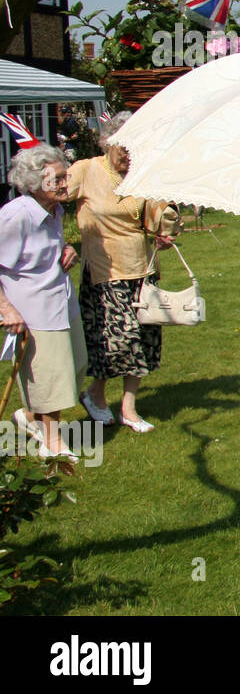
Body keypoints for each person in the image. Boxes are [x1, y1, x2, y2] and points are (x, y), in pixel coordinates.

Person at [68, 114, 180, 432]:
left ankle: (129, 409)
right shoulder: (86, 170)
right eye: (126, 147)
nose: (130, 155)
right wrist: (57, 245)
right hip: (105, 270)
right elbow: (51, 197)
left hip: (142, 269)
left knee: (143, 341)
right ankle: (96, 394)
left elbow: (159, 216)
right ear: (111, 141)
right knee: (114, 341)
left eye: (137, 147)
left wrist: (165, 231)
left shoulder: (141, 175)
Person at [0, 145, 83, 459]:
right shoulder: (16, 215)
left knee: (75, 368)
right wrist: (6, 308)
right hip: (36, 312)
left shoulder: (54, 211)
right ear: (35, 182)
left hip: (62, 303)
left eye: (65, 176)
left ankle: (30, 418)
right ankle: (54, 444)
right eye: (58, 178)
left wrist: (69, 250)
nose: (65, 183)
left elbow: (46, 253)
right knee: (51, 379)